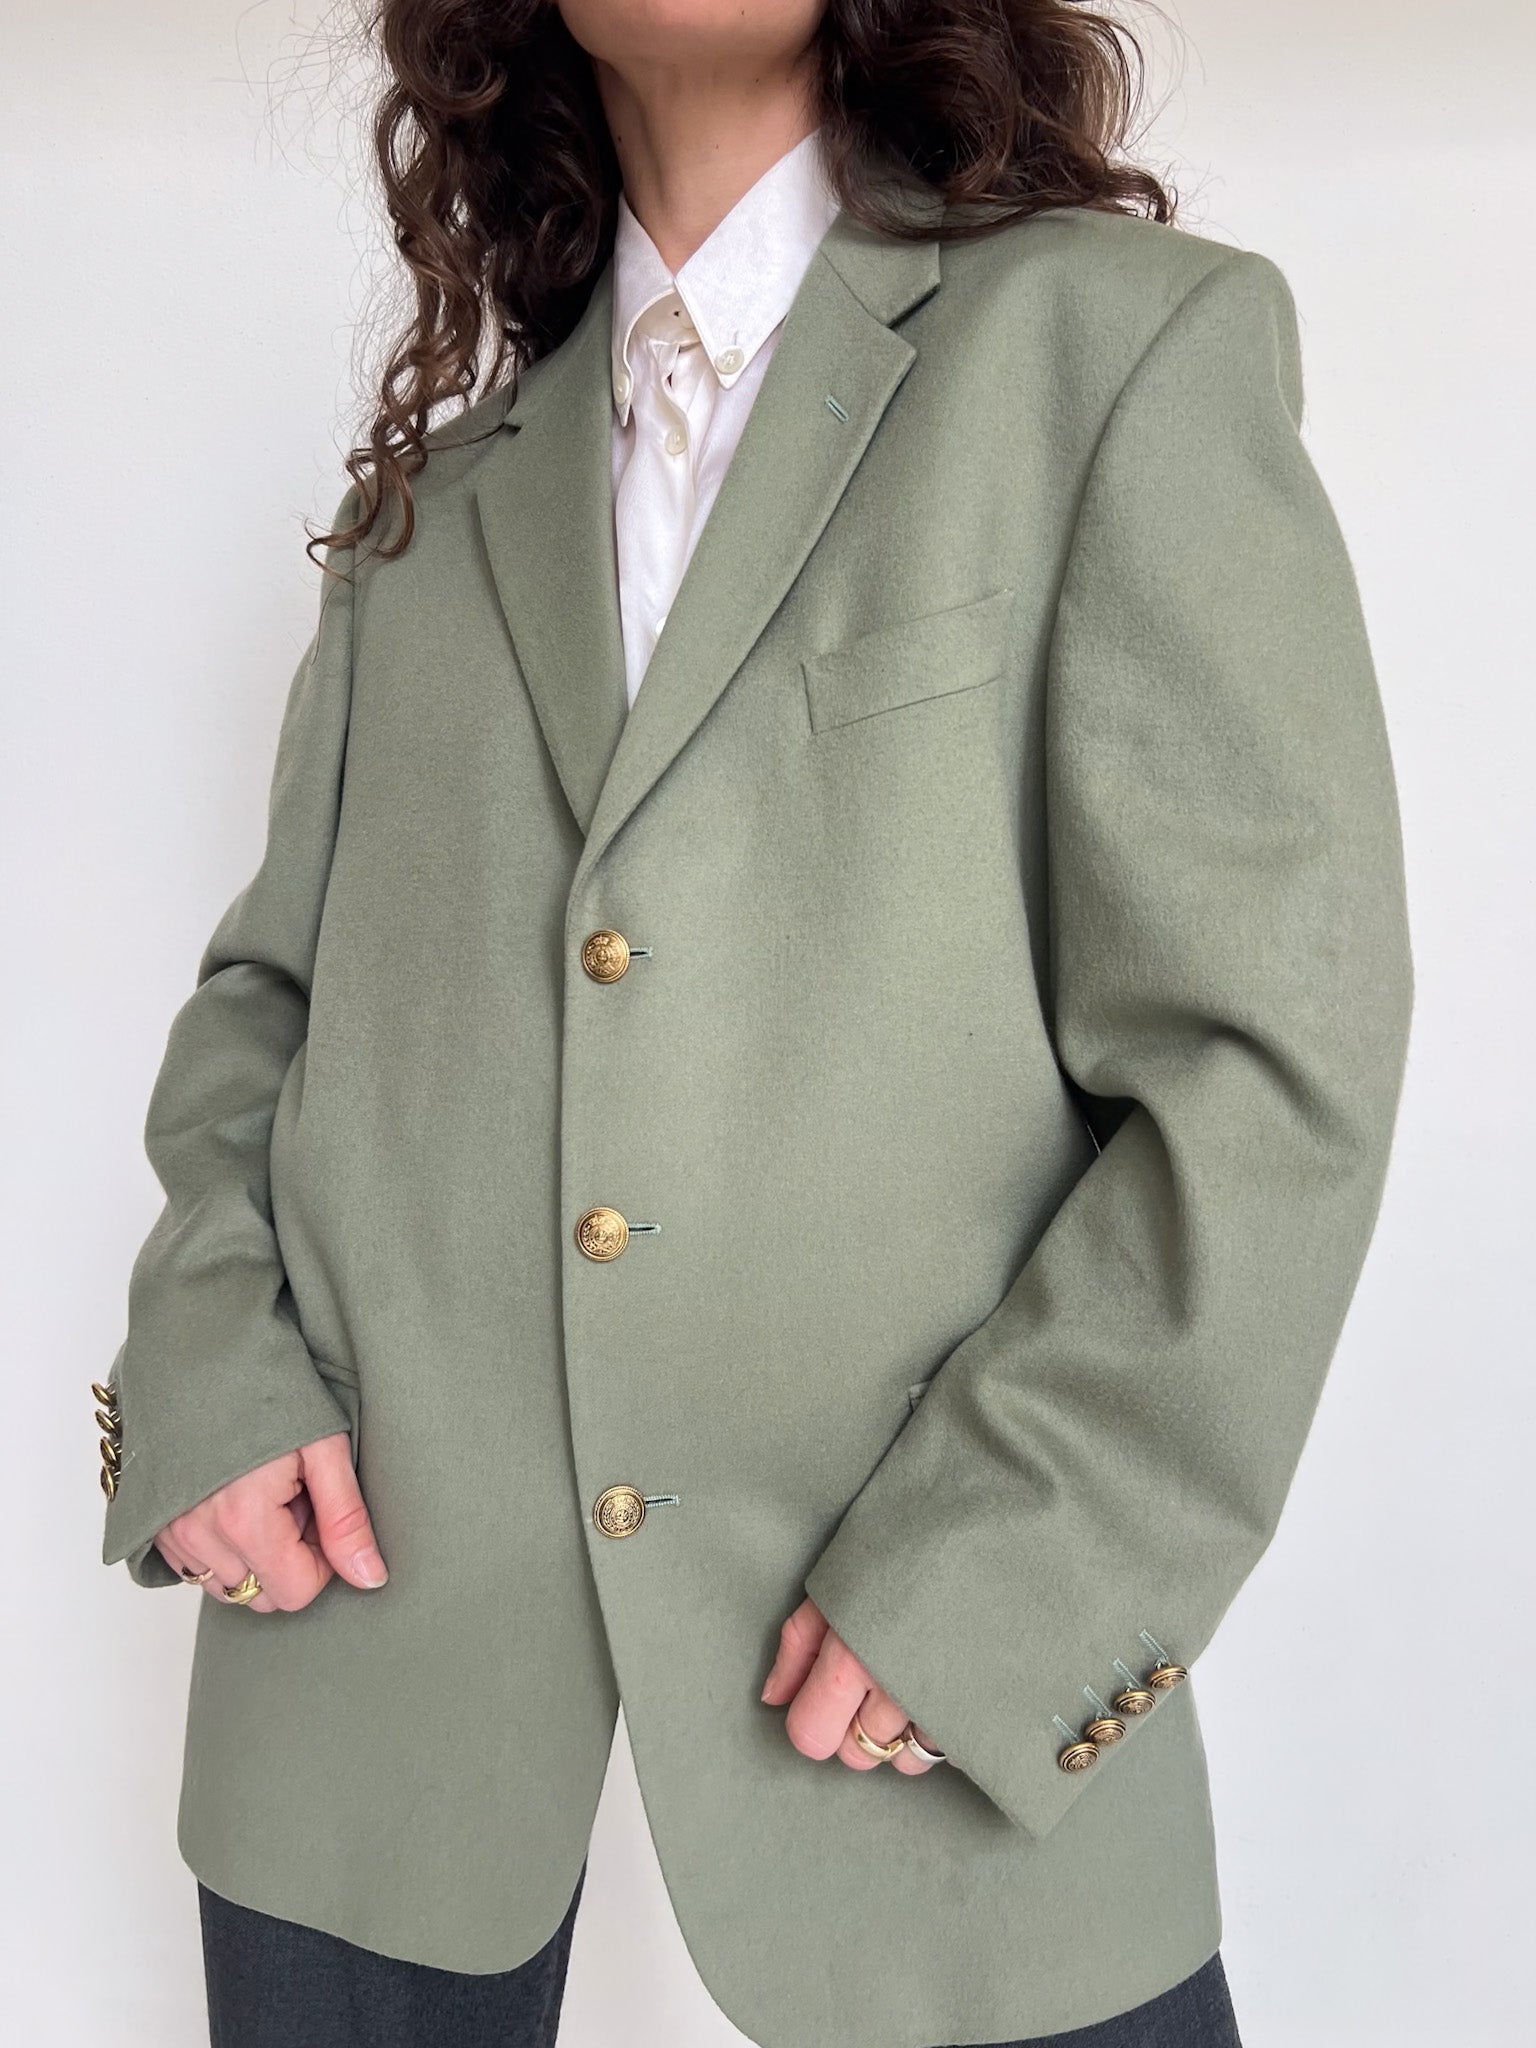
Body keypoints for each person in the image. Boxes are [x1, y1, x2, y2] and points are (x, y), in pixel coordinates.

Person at [96, 4, 1413, 2045]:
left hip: (933, 1710)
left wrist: (1020, 1571)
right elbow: (271, 999)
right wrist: (205, 1365)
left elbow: (1268, 1058)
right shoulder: (432, 507)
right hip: (359, 1682)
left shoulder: (1116, 352)